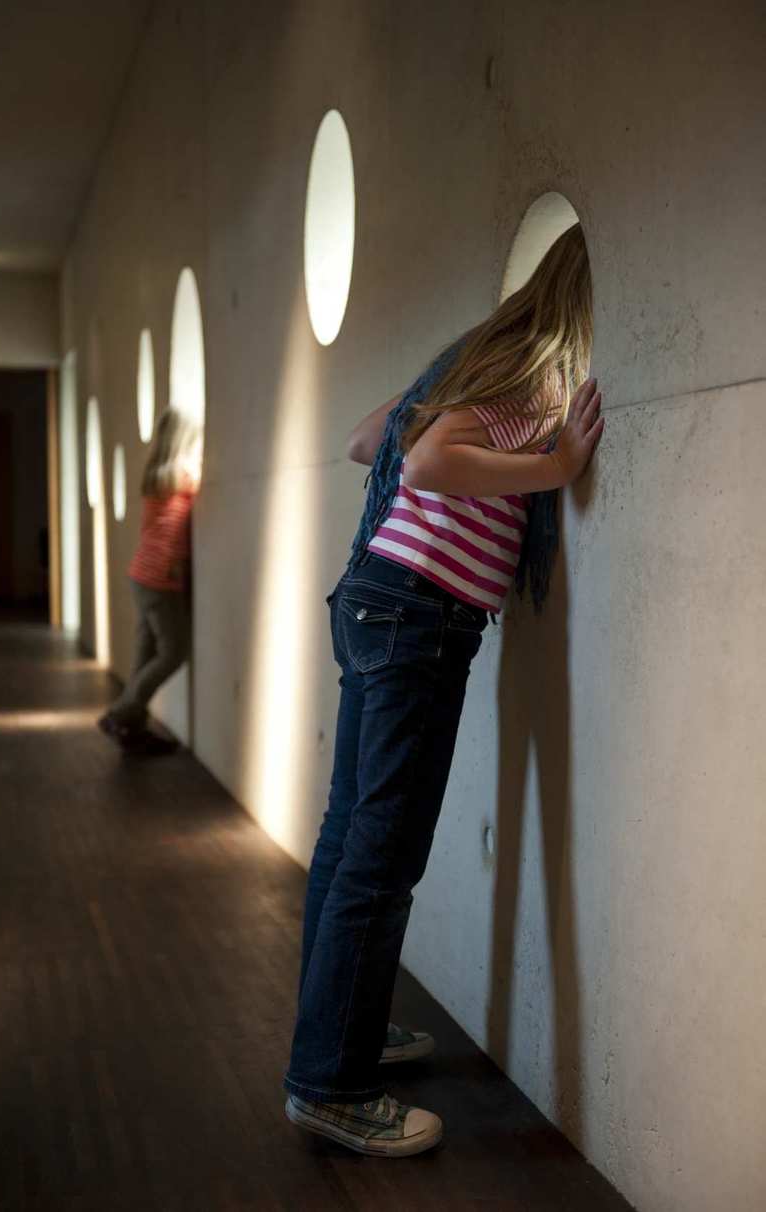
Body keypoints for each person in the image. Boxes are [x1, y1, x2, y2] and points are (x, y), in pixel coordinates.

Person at [283, 223, 604, 1157]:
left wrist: (460, 435)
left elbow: (366, 442)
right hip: (418, 618)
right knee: (382, 856)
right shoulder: (531, 380)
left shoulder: (470, 365)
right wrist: (552, 466)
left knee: (350, 838)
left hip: (376, 599)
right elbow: (424, 463)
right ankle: (332, 1085)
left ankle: (337, 1029)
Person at [98, 407, 202, 755]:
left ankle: (132, 727)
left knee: (144, 656)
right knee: (173, 652)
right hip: (160, 580)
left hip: (141, 575)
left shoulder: (156, 475)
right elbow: (173, 535)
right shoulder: (183, 476)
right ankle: (120, 714)